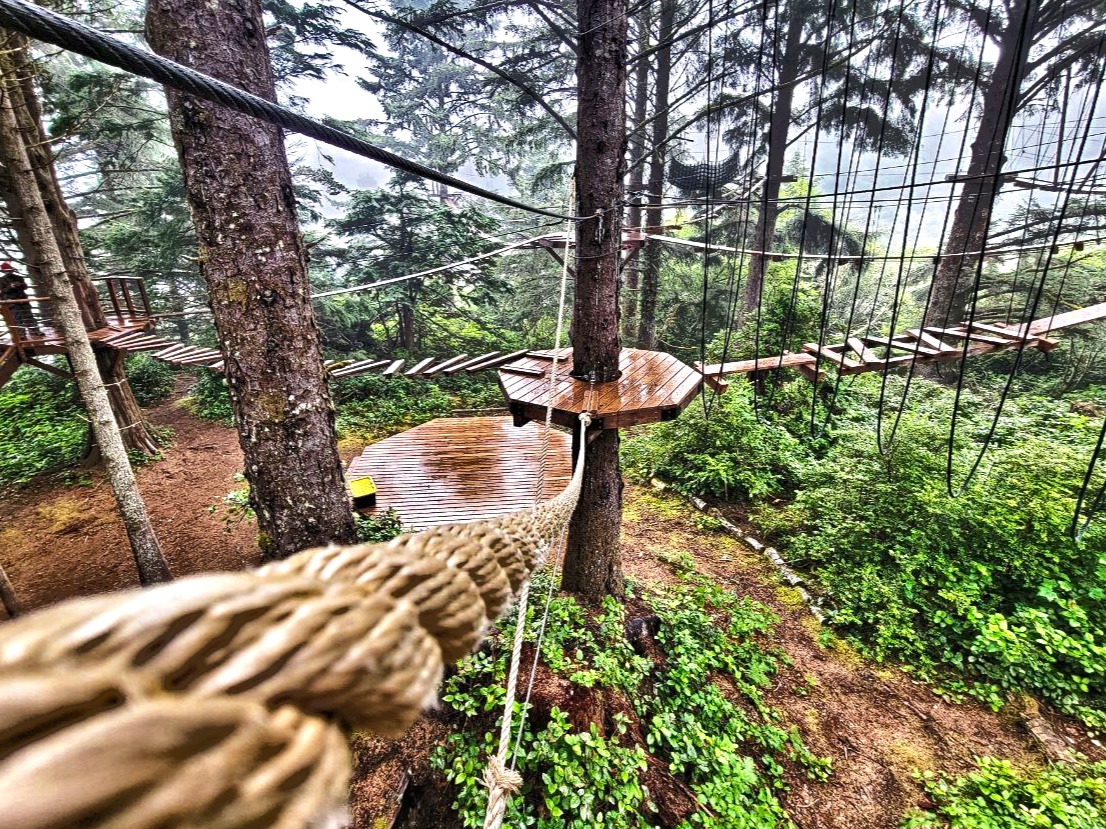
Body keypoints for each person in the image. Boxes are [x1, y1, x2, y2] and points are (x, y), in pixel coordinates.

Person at [0, 261, 42, 339]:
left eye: (10, 270)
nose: (9, 272)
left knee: (29, 316)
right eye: (7, 271)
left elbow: (25, 287)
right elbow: (3, 291)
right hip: (12, 302)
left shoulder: (19, 278)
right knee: (18, 318)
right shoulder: (1, 280)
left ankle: (36, 331)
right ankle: (22, 334)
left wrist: (20, 285)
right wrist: (10, 287)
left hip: (23, 300)